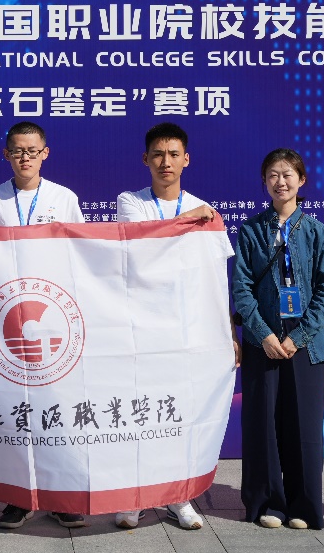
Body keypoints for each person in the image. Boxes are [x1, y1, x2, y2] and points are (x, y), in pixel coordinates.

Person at [113, 121, 231, 531]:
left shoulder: (204, 209)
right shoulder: (131, 201)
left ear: (186, 160)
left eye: (174, 155)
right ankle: (135, 497)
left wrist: (227, 332)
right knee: (140, 412)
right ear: (146, 159)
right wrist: (188, 220)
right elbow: (143, 243)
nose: (166, 162)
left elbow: (215, 278)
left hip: (186, 330)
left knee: (180, 413)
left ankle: (178, 497)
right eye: (158, 155)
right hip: (141, 327)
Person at [0, 121, 87, 531]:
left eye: (32, 150)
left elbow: (79, 251)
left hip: (52, 314)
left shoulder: (64, 197)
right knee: (15, 407)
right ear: (6, 154)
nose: (25, 157)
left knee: (58, 406)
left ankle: (61, 497)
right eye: (18, 151)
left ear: (45, 153)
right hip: (7, 316)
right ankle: (18, 498)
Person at [231, 149, 324, 531]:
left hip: (306, 345)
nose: (281, 181)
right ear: (264, 182)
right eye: (273, 175)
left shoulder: (316, 231)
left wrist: (300, 335)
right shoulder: (251, 230)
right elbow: (241, 288)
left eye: (288, 174)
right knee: (262, 425)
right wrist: (262, 334)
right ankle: (268, 503)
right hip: (263, 343)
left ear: (301, 180)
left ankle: (303, 505)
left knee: (304, 428)